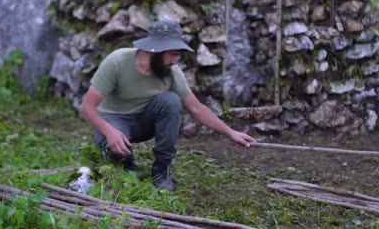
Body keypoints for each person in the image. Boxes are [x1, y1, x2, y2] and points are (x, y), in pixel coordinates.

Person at [79, 20, 256, 191]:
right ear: (154, 51)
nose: (175, 60)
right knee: (117, 158)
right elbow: (87, 108)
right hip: (112, 121)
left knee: (171, 100)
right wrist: (109, 131)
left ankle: (162, 170)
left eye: (177, 55)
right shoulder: (117, 61)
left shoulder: (171, 71)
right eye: (172, 54)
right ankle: (126, 164)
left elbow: (196, 108)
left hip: (143, 122)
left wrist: (230, 133)